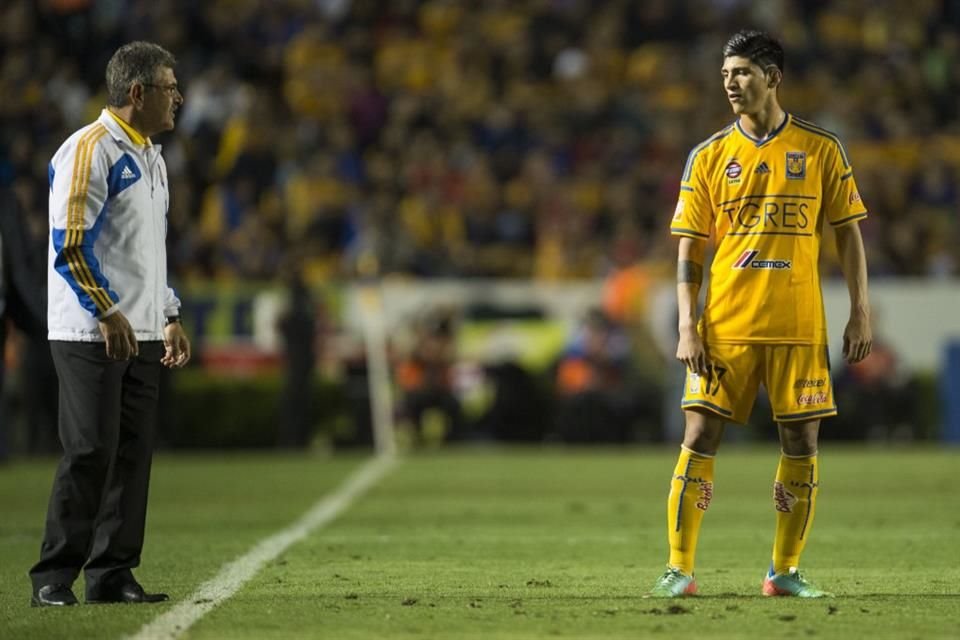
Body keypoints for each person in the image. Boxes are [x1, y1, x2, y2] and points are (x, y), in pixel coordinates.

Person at [648, 30, 872, 598]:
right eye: (726, 75)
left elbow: (848, 236)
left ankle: (784, 572)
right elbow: (689, 249)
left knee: (801, 443)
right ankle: (679, 569)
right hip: (724, 325)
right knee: (698, 433)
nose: (731, 83)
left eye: (743, 72)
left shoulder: (822, 148)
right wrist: (685, 324)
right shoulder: (707, 155)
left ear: (773, 76)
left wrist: (860, 312)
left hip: (798, 324)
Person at [29, 41, 190, 607]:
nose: (179, 99)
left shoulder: (151, 155)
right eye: (170, 89)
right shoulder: (89, 149)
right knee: (91, 449)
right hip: (88, 332)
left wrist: (167, 314)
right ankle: (52, 576)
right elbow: (70, 245)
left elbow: (148, 250)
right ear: (138, 92)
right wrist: (108, 311)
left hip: (142, 332)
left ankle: (112, 574)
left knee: (131, 458)